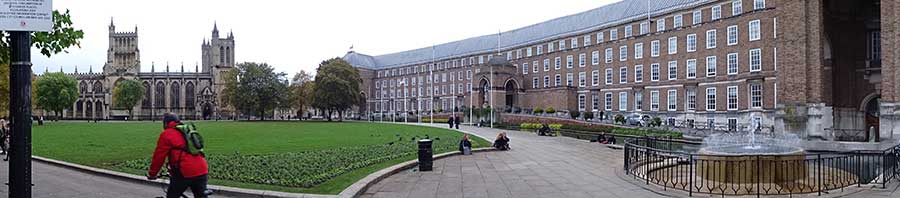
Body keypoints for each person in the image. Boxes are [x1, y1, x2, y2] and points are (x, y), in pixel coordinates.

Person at [147, 113, 210, 198]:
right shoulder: (188, 130)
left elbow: (159, 157)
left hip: (184, 172)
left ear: (166, 123)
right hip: (202, 169)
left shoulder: (167, 134)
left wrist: (152, 174)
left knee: (172, 195)